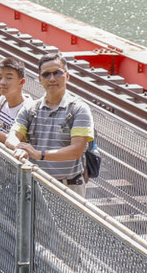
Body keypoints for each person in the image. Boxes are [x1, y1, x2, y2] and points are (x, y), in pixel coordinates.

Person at [6, 53, 94, 198]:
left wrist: (39, 155)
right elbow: (12, 136)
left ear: (67, 76)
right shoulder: (30, 109)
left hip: (68, 188)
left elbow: (76, 150)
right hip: (35, 185)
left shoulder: (78, 109)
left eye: (57, 73)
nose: (52, 78)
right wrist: (20, 148)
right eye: (46, 74)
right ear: (40, 79)